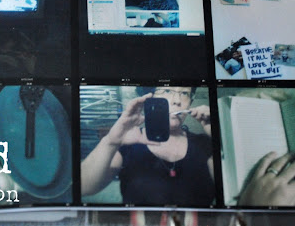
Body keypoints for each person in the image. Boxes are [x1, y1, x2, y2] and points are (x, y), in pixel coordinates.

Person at [80, 86, 214, 206]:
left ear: (190, 102)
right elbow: (83, 186)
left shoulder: (203, 143)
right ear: (150, 97)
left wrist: (219, 135)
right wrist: (110, 141)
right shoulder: (128, 141)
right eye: (167, 90)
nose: (177, 101)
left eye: (184, 93)